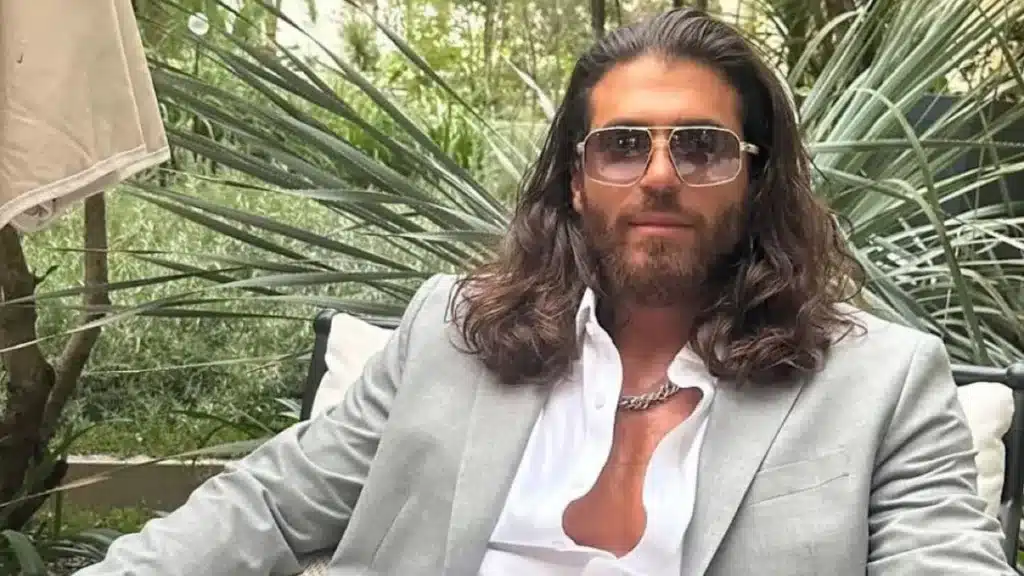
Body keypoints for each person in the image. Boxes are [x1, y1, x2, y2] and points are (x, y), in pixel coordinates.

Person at [75, 7, 1015, 576]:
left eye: (701, 147)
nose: (659, 175)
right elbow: (269, 507)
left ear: (755, 179)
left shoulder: (882, 384)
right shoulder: (450, 336)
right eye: (622, 145)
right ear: (575, 179)